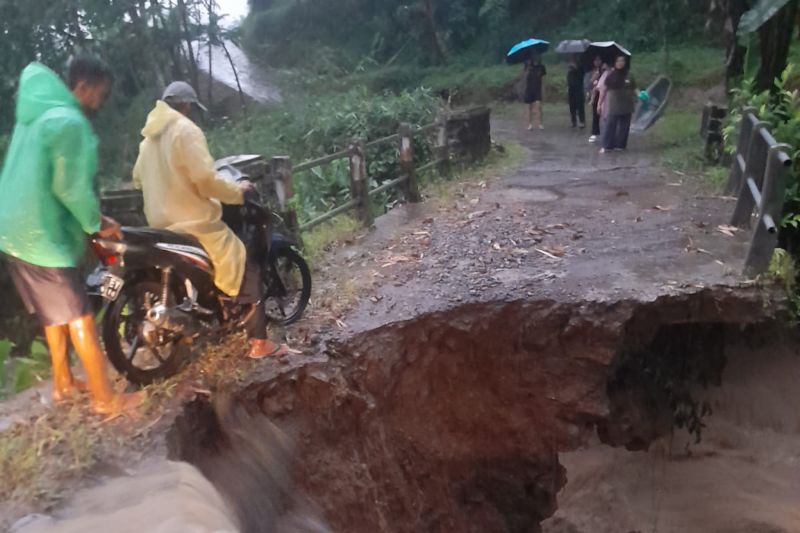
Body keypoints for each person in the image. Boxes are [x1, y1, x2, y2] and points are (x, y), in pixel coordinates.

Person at [0, 58, 143, 414]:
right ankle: (104, 399)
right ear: (84, 87)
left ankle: (64, 384)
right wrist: (96, 224)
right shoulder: (68, 123)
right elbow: (71, 188)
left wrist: (96, 217)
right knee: (79, 314)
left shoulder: (34, 118)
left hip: (13, 233)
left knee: (55, 314)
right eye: (100, 93)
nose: (101, 100)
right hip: (41, 237)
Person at [133, 82, 288, 359]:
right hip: (194, 223)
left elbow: (137, 179)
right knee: (243, 259)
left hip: (161, 227)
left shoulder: (147, 142)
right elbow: (205, 179)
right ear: (187, 106)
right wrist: (236, 193)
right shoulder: (185, 130)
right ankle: (259, 343)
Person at [598, 55, 639, 153]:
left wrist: (640, 94)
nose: (620, 63)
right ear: (615, 63)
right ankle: (607, 146)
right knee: (610, 125)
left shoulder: (629, 75)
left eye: (622, 61)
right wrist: (599, 103)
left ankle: (621, 145)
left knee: (625, 126)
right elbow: (604, 90)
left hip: (627, 103)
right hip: (614, 103)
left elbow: (634, 87)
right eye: (618, 61)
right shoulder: (610, 75)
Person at [523, 54, 546, 130]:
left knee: (538, 106)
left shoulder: (541, 67)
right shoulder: (527, 67)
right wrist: (528, 70)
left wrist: (543, 90)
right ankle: (529, 124)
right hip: (529, 89)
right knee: (529, 107)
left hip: (537, 89)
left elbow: (543, 79)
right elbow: (524, 77)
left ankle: (539, 123)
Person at [586, 56, 604, 142]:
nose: (597, 62)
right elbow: (589, 83)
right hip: (595, 94)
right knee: (595, 114)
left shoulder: (605, 70)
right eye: (595, 60)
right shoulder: (592, 71)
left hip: (604, 94)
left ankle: (605, 131)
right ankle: (595, 132)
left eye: (599, 60)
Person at [567, 54, 585, 129]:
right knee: (572, 106)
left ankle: (582, 121)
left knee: (580, 105)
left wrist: (576, 68)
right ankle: (573, 121)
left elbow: (582, 77)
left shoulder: (581, 67)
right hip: (571, 89)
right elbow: (568, 78)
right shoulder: (570, 69)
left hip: (579, 89)